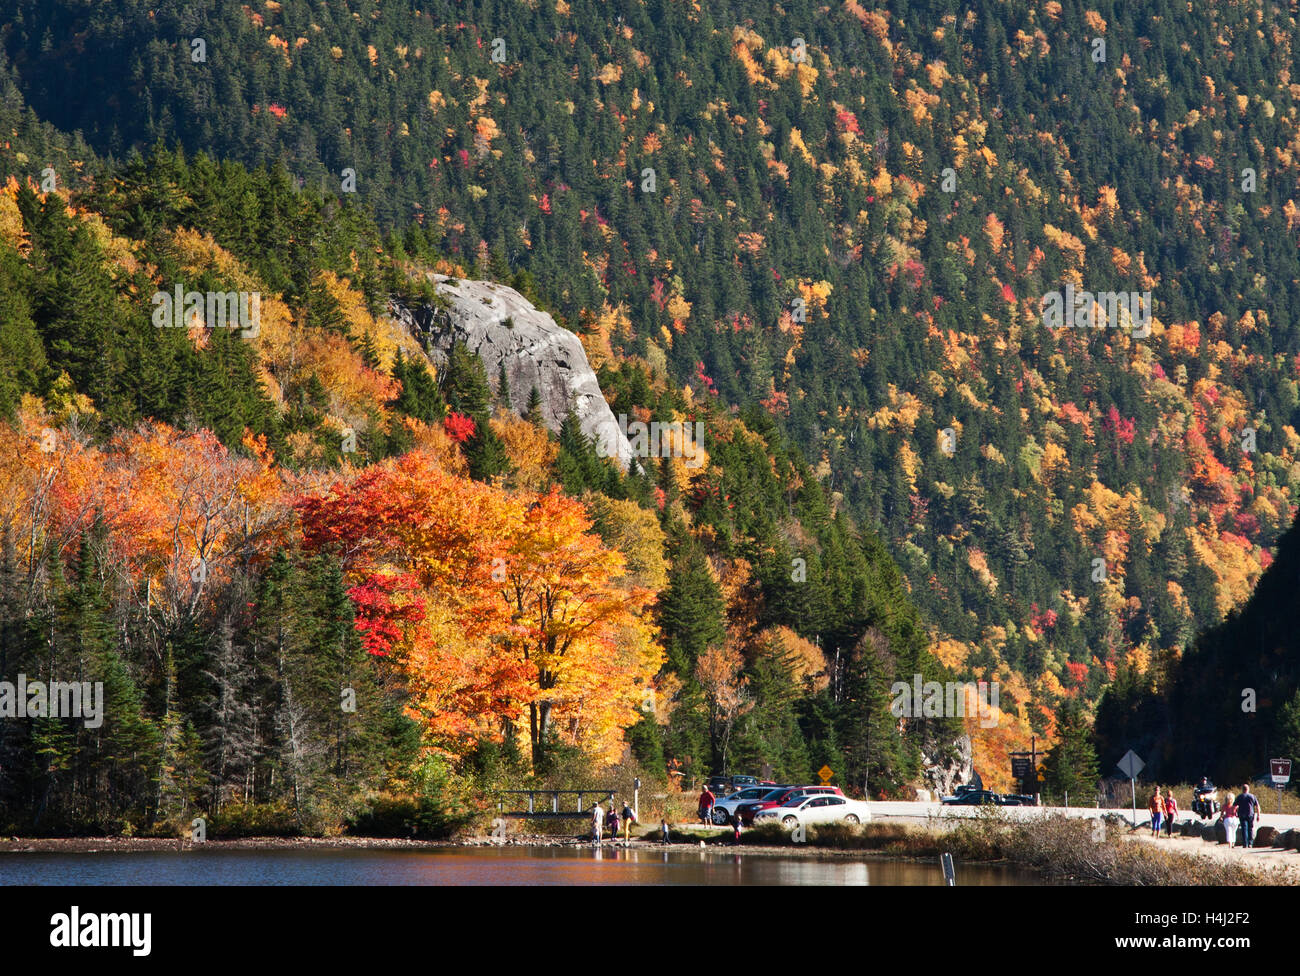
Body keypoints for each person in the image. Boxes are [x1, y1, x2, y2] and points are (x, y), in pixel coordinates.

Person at [1235, 783, 1259, 848]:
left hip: (1242, 814)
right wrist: (1258, 815)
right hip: (1251, 814)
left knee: (1244, 829)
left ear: (1242, 789)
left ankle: (1245, 844)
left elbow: (1235, 806)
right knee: (1250, 828)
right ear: (1248, 789)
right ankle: (1250, 843)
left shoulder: (1239, 796)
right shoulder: (1252, 796)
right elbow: (1257, 806)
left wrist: (1235, 813)